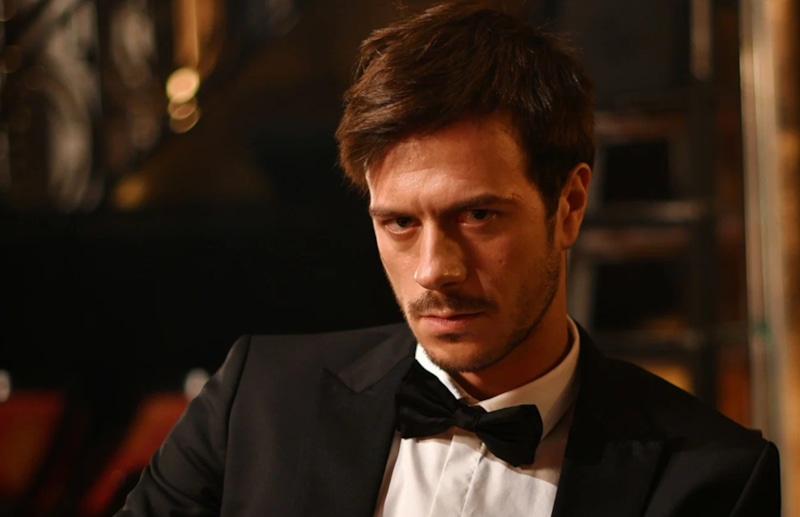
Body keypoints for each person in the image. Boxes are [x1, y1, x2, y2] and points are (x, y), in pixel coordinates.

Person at [113, 1, 781, 515]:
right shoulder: (256, 402)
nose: (435, 269)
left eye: (478, 215)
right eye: (400, 223)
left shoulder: (711, 476)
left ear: (570, 205)